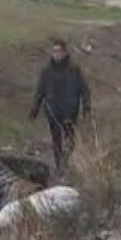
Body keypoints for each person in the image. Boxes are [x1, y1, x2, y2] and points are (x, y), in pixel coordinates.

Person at [29, 39, 91, 172]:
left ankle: (66, 159)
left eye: (59, 51)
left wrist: (86, 105)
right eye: (54, 51)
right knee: (56, 139)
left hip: (70, 110)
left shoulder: (74, 70)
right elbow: (40, 91)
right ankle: (59, 166)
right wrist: (35, 109)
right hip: (53, 111)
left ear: (64, 53)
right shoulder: (46, 72)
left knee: (70, 139)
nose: (56, 54)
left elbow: (84, 88)